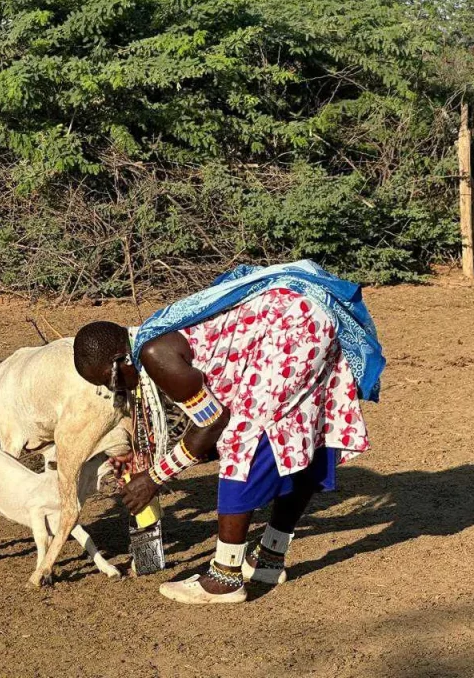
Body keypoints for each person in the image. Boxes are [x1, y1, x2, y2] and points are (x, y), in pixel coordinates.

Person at [73, 259, 384, 605]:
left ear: (120, 360)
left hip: (293, 325)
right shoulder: (152, 339)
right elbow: (204, 423)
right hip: (303, 320)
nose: (117, 391)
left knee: (244, 440)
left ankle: (225, 577)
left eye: (111, 381)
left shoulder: (153, 353)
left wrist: (153, 478)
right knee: (297, 434)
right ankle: (268, 558)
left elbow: (212, 423)